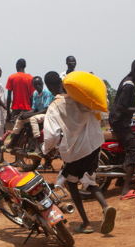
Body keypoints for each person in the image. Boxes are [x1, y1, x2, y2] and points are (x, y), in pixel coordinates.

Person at [43, 71, 116, 235]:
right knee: (89, 179)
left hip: (75, 150)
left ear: (48, 87)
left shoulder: (54, 106)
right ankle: (106, 207)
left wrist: (46, 150)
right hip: (93, 144)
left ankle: (86, 223)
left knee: (71, 183)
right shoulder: (79, 96)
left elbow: (51, 134)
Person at [110, 59, 135, 200]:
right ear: (134, 69)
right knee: (133, 148)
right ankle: (126, 190)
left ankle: (121, 179)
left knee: (125, 147)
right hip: (119, 121)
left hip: (120, 119)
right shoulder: (129, 84)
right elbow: (121, 107)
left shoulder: (131, 82)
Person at [4, 59, 35, 149]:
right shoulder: (30, 78)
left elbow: (9, 96)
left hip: (16, 108)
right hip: (27, 109)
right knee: (28, 130)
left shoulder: (12, 77)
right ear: (25, 66)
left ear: (17, 66)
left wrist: (8, 112)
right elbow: (32, 96)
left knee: (17, 130)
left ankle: (16, 148)